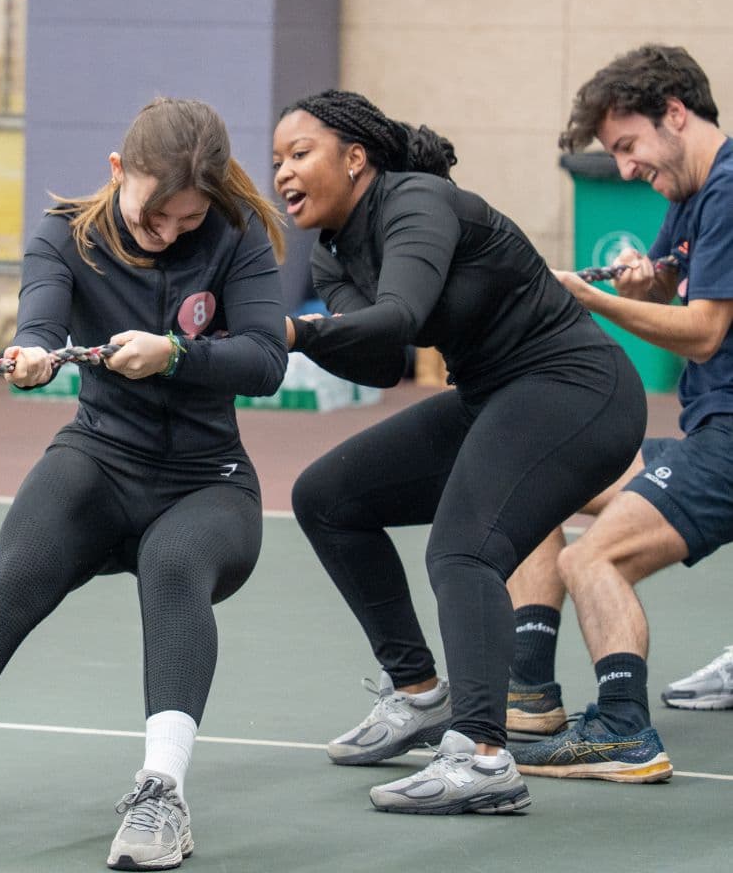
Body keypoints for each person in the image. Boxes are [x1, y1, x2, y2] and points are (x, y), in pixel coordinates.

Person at [0, 98, 285, 871]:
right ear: (119, 171)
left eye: (187, 221)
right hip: (97, 462)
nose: (170, 234)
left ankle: (162, 794)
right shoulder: (65, 233)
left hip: (206, 481)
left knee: (172, 567)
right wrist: (33, 353)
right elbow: (41, 319)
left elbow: (265, 358)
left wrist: (177, 356)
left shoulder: (237, 236)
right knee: (12, 576)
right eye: (157, 217)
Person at [273, 88, 647, 815]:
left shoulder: (417, 201)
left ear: (356, 159)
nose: (283, 173)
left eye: (299, 153)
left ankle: (481, 754)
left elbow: (402, 314)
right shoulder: (331, 255)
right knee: (327, 499)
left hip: (578, 388)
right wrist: (272, 342)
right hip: (492, 397)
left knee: (463, 550)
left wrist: (289, 335)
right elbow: (383, 359)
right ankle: (416, 692)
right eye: (277, 160)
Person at [504, 44, 733, 779]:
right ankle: (529, 693)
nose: (628, 168)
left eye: (630, 147)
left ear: (675, 113)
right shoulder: (691, 196)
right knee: (541, 478)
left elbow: (702, 330)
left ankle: (622, 731)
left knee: (590, 558)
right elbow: (669, 292)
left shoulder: (728, 189)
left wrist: (593, 298)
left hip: (728, 441)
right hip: (710, 432)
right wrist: (639, 285)